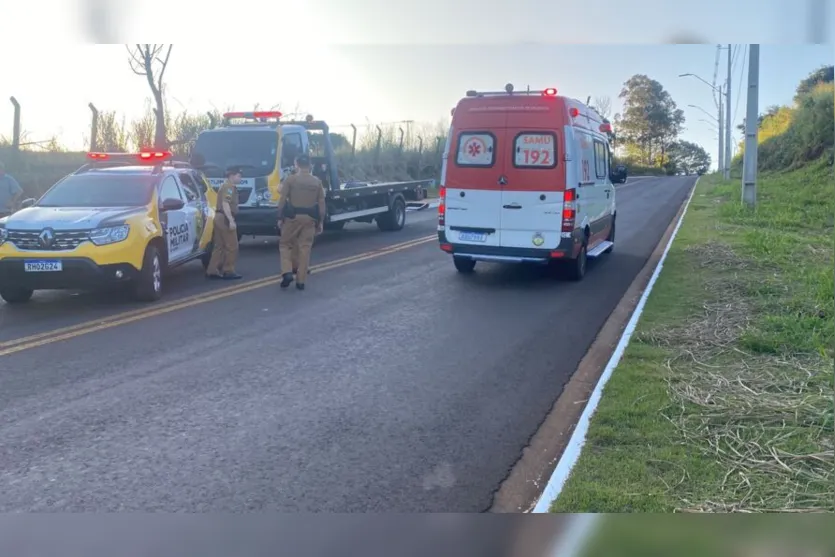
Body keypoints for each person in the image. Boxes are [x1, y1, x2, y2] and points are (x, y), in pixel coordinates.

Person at [277, 154, 326, 290]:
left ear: (296, 164)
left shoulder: (290, 180)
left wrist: (280, 217)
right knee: (305, 248)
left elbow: (282, 200)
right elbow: (321, 203)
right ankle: (301, 281)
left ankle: (287, 272)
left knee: (285, 244)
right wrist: (321, 221)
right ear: (309, 165)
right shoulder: (317, 182)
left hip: (292, 218)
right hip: (310, 219)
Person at [205, 166, 243, 280]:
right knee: (232, 246)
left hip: (219, 217)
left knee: (219, 245)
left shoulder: (225, 186)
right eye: (239, 176)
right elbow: (225, 203)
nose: (240, 178)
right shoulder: (229, 187)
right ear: (232, 176)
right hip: (225, 218)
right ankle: (228, 270)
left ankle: (212, 269)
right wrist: (231, 220)